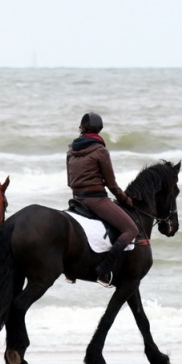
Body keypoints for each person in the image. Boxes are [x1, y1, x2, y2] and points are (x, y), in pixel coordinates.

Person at [66, 111, 136, 287]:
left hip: (76, 199)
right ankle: (104, 271)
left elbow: (70, 181)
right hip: (95, 200)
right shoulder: (100, 151)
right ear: (99, 129)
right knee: (130, 230)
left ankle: (70, 271)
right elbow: (111, 185)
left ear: (82, 128)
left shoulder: (71, 151)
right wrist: (126, 199)